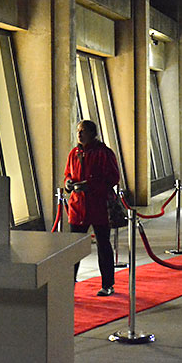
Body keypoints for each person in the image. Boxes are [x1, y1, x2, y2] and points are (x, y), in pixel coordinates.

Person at [64, 119, 120, 296]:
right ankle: (69, 283)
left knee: (103, 245)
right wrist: (68, 184)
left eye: (83, 131)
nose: (79, 134)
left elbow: (113, 178)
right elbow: (67, 174)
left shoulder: (104, 153)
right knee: (74, 247)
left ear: (92, 133)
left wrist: (91, 186)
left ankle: (108, 284)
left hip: (99, 206)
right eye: (78, 130)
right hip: (77, 206)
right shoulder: (74, 153)